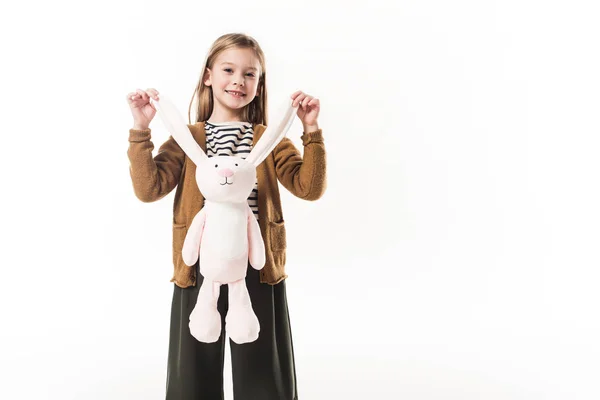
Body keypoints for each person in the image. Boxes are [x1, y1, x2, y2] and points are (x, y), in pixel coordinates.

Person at [126, 32, 327, 400]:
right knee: (191, 380)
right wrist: (141, 130)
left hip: (258, 267)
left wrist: (310, 130)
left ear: (259, 84)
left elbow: (308, 187)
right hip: (198, 269)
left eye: (250, 74)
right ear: (208, 76)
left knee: (266, 379)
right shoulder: (188, 139)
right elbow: (149, 188)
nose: (238, 80)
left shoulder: (269, 139)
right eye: (229, 70)